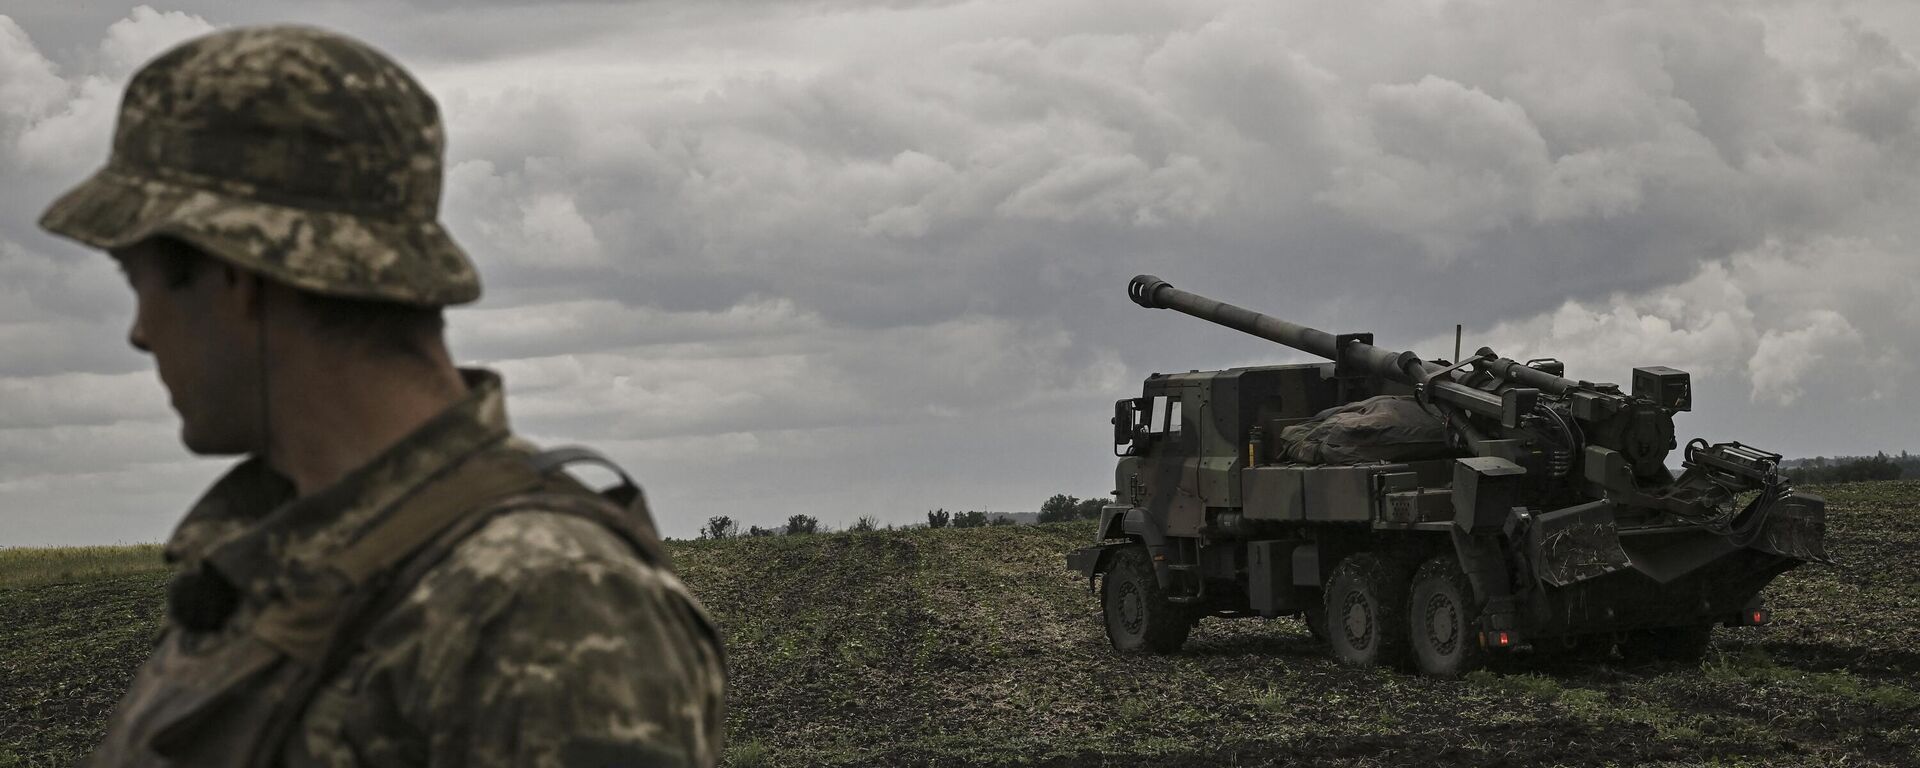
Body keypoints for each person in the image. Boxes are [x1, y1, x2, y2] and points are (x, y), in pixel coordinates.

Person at [38, 25, 726, 767]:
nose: (141, 334)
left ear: (232, 277)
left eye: (135, 280)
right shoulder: (292, 565)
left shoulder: (540, 601)